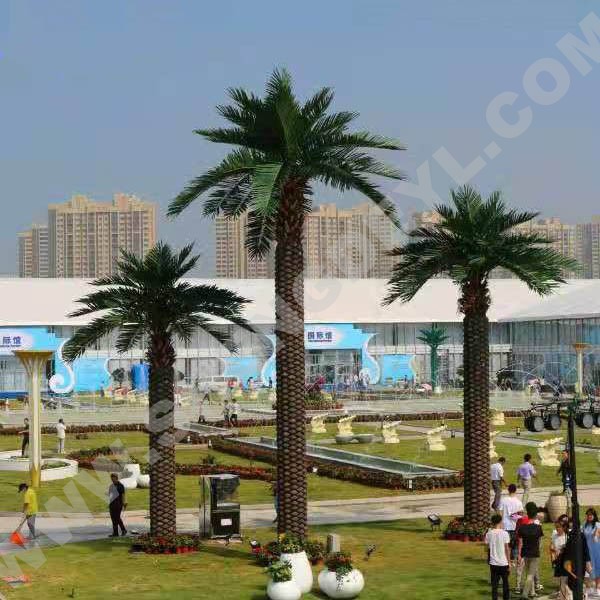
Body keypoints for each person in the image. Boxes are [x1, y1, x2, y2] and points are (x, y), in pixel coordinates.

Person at [515, 502, 543, 595]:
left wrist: (519, 554)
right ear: (535, 514)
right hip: (534, 553)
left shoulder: (522, 528)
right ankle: (525, 594)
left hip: (525, 553)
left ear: (527, 513)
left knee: (529, 573)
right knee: (530, 575)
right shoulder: (538, 527)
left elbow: (520, 542)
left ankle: (532, 592)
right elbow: (539, 542)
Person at [485, 513, 511, 600]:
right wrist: (509, 562)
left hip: (493, 563)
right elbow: (507, 549)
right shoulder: (505, 533)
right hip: (504, 563)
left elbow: (486, 548)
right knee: (505, 584)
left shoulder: (489, 534)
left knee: (494, 585)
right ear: (500, 522)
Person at [499, 483, 523, 566]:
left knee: (505, 544)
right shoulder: (519, 502)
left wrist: (500, 524)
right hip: (514, 526)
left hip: (504, 525)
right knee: (514, 544)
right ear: (515, 490)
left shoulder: (503, 500)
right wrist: (513, 516)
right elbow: (520, 515)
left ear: (508, 490)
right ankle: (513, 560)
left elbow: (500, 513)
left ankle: (506, 560)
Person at [582, 508, 600, 595]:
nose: (589, 516)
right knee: (587, 570)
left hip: (596, 550)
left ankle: (597, 587)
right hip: (587, 550)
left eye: (591, 515)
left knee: (597, 568)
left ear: (594, 516)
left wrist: (596, 535)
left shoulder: (597, 524)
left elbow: (597, 534)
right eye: (588, 514)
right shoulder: (584, 525)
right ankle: (588, 587)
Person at [550, 515, 569, 599]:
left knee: (565, 579)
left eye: (559, 527)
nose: (557, 529)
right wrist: (553, 559)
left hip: (566, 561)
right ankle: (563, 594)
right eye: (556, 527)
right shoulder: (554, 536)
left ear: (563, 527)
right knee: (561, 579)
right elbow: (552, 548)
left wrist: (562, 549)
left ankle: (563, 595)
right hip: (558, 561)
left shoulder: (567, 536)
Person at [107, 473, 127, 537]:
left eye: (113, 478)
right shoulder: (111, 486)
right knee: (113, 519)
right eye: (111, 478)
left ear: (116, 478)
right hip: (112, 504)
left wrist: (124, 503)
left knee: (117, 518)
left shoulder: (120, 486)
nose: (112, 479)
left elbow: (123, 495)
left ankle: (123, 530)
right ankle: (116, 533)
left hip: (118, 504)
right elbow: (110, 495)